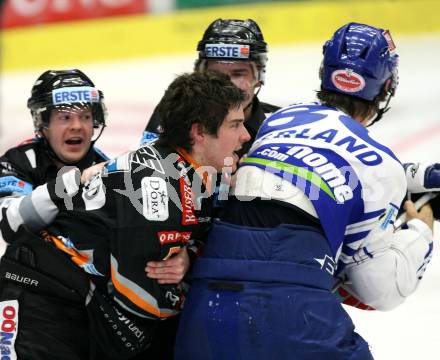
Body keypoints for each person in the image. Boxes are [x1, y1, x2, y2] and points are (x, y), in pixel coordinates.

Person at [174, 22, 434, 359]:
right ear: (386, 87)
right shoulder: (381, 165)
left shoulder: (277, 121)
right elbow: (381, 287)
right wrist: (421, 226)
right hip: (293, 310)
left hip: (204, 305)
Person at [43, 70, 249, 359]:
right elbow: (141, 300)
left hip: (80, 297)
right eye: (235, 125)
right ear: (199, 132)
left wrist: (189, 256)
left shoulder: (194, 169)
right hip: (47, 298)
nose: (245, 135)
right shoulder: (156, 190)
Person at [0, 69, 108, 359]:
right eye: (65, 118)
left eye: (85, 116)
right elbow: (11, 224)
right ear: (42, 123)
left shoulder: (110, 168)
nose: (78, 127)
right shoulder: (18, 162)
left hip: (90, 307)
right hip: (28, 300)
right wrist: (74, 182)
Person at [141, 18, 279, 157]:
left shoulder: (282, 123)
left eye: (238, 74)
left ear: (259, 77)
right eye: (215, 74)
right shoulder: (175, 114)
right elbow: (149, 166)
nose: (226, 85)